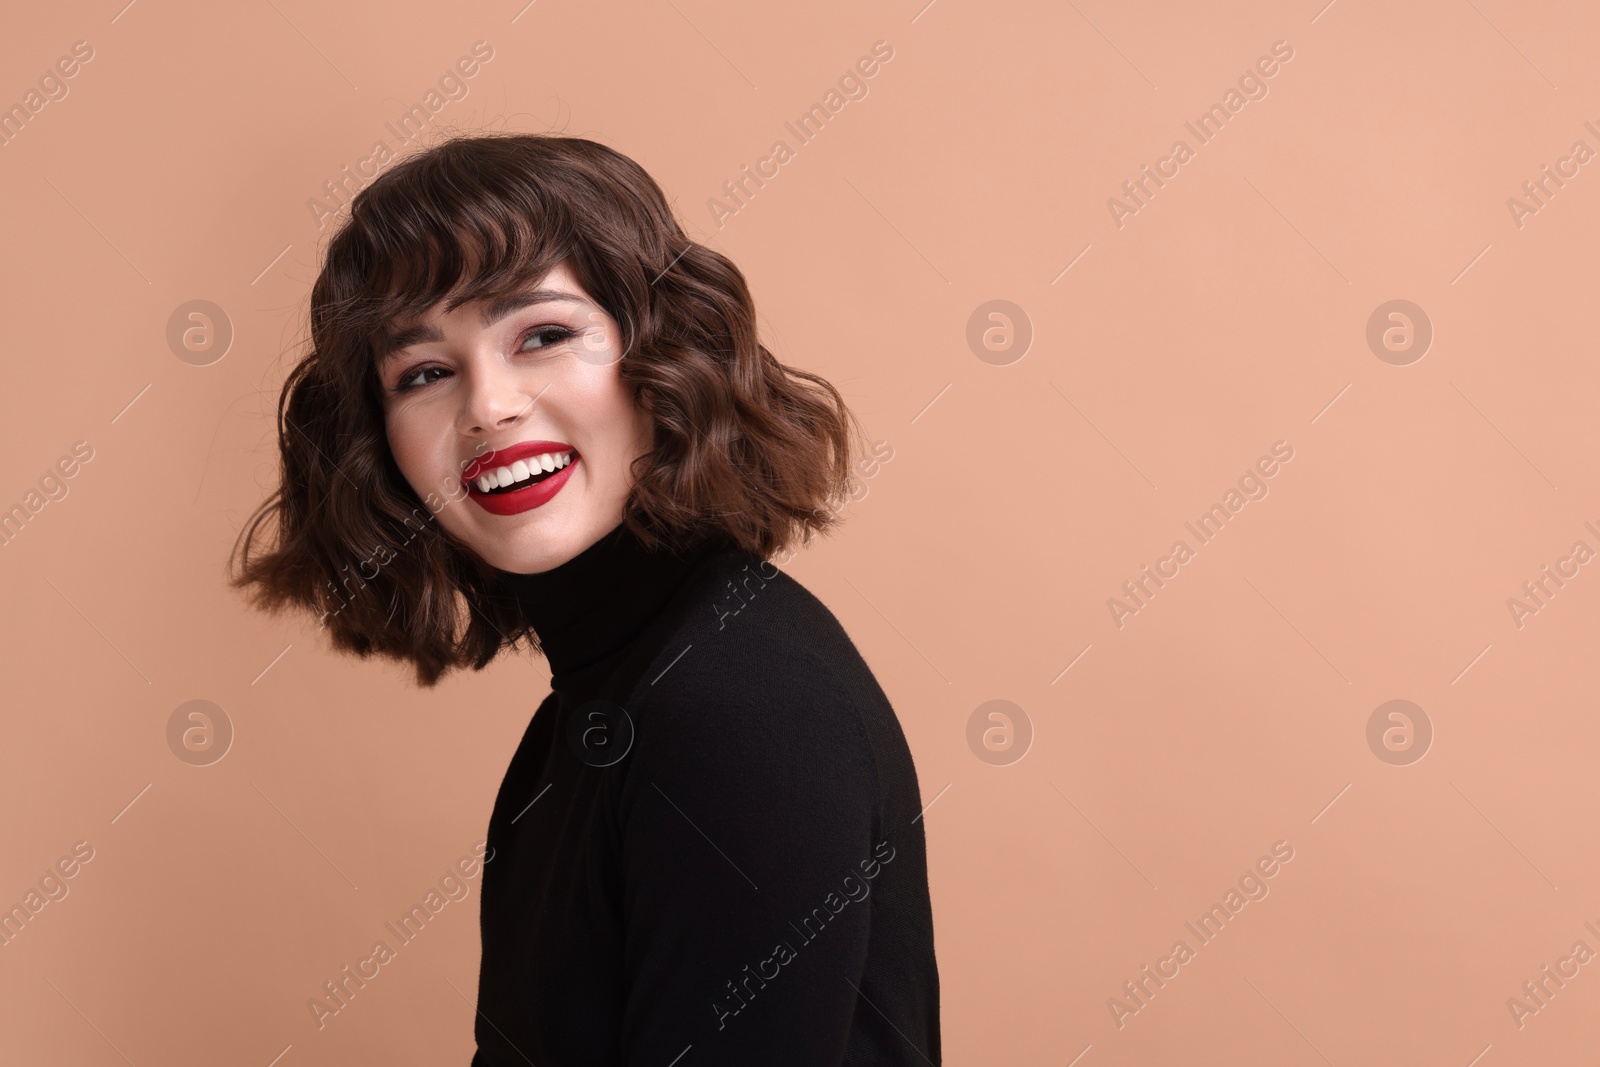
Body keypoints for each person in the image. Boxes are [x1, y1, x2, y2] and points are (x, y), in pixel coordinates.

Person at [229, 132, 940, 1065]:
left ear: (666, 352)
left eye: (544, 335)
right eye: (425, 373)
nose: (488, 407)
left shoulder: (742, 701)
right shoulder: (594, 712)